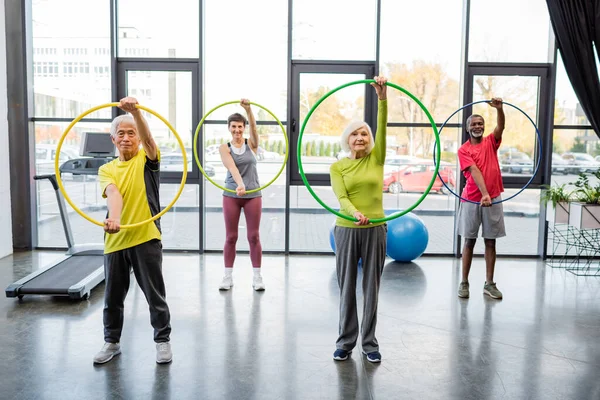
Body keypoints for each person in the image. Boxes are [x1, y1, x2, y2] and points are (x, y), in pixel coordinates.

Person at [93, 97, 173, 365]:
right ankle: (111, 342)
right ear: (113, 139)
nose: (126, 138)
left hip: (146, 236)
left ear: (137, 138)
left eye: (131, 133)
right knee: (112, 298)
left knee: (154, 295)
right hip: (116, 239)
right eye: (121, 134)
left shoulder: (147, 160)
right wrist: (114, 219)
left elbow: (151, 143)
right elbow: (114, 194)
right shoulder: (107, 169)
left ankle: (162, 341)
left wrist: (136, 113)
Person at [330, 76, 388, 363]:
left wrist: (382, 98)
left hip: (376, 228)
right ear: (347, 139)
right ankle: (345, 341)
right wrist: (356, 214)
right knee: (347, 286)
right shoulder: (337, 166)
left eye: (364, 133)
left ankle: (369, 342)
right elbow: (342, 199)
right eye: (355, 134)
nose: (361, 138)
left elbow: (383, 127)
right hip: (347, 228)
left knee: (372, 287)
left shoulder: (377, 159)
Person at [456, 98, 505, 300]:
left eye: (480, 123)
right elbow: (474, 171)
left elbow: (500, 127)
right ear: (468, 128)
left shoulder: (490, 142)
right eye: (473, 124)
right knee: (469, 241)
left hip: (493, 198)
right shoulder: (463, 150)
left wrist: (500, 110)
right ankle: (464, 282)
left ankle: (489, 283)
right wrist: (483, 194)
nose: (477, 126)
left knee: (491, 242)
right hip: (472, 200)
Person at [218, 99, 265, 292]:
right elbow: (232, 167)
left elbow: (254, 128)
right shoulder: (224, 147)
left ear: (244, 128)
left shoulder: (251, 144)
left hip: (253, 194)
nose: (237, 130)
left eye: (240, 126)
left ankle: (257, 277)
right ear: (229, 128)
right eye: (234, 127)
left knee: (253, 236)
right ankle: (227, 277)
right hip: (232, 194)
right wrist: (239, 185)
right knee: (231, 237)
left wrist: (248, 109)